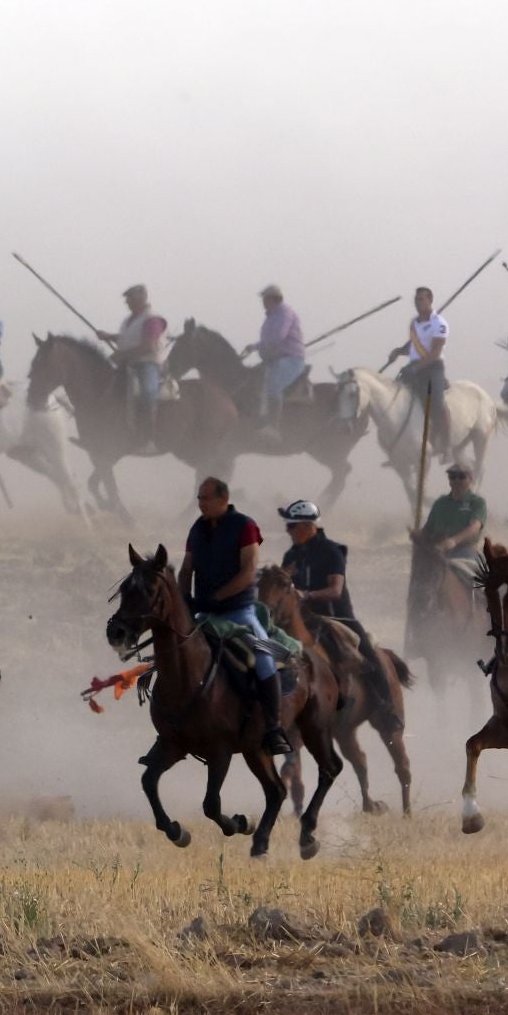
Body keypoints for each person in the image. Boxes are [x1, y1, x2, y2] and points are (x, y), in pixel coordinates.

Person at [177, 477, 292, 755]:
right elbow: (186, 570)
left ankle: (274, 729)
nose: (200, 503)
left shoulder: (245, 526)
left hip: (240, 614)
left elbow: (248, 573)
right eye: (199, 499)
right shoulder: (197, 529)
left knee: (264, 656)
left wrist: (216, 597)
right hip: (204, 614)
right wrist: (184, 602)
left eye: (205, 498)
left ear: (222, 499)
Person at [279, 499, 398, 721]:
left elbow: (335, 590)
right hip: (303, 618)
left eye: (291, 526)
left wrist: (306, 595)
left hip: (335, 617)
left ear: (307, 525)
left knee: (368, 655)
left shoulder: (331, 551)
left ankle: (386, 708)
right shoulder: (291, 556)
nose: (288, 531)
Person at [98, 284, 167, 452]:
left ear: (140, 299)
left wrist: (123, 355)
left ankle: (149, 440)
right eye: (127, 299)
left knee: (148, 394)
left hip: (148, 364)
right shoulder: (129, 320)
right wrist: (110, 336)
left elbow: (149, 347)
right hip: (128, 364)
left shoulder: (152, 319)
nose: (127, 302)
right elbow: (129, 338)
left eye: (130, 299)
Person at [385, 286, 449, 454]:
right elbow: (415, 349)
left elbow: (434, 353)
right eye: (416, 299)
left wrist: (417, 368)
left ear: (430, 300)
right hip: (414, 366)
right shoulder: (414, 323)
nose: (417, 302)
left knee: (436, 403)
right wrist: (398, 352)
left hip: (432, 368)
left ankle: (445, 443)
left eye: (421, 299)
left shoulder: (439, 324)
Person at [249, 284, 306, 431]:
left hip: (291, 359)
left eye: (264, 299)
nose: (262, 303)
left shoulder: (284, 314)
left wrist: (256, 346)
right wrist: (256, 347)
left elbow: (277, 337)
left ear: (272, 299)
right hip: (274, 359)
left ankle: (273, 427)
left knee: (273, 386)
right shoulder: (272, 316)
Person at [416, 465, 487, 560]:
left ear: (470, 479)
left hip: (465, 551)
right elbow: (428, 528)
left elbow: (475, 526)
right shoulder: (440, 503)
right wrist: (418, 534)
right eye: (452, 477)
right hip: (437, 551)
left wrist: (454, 540)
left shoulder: (477, 502)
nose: (456, 480)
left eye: (461, 477)